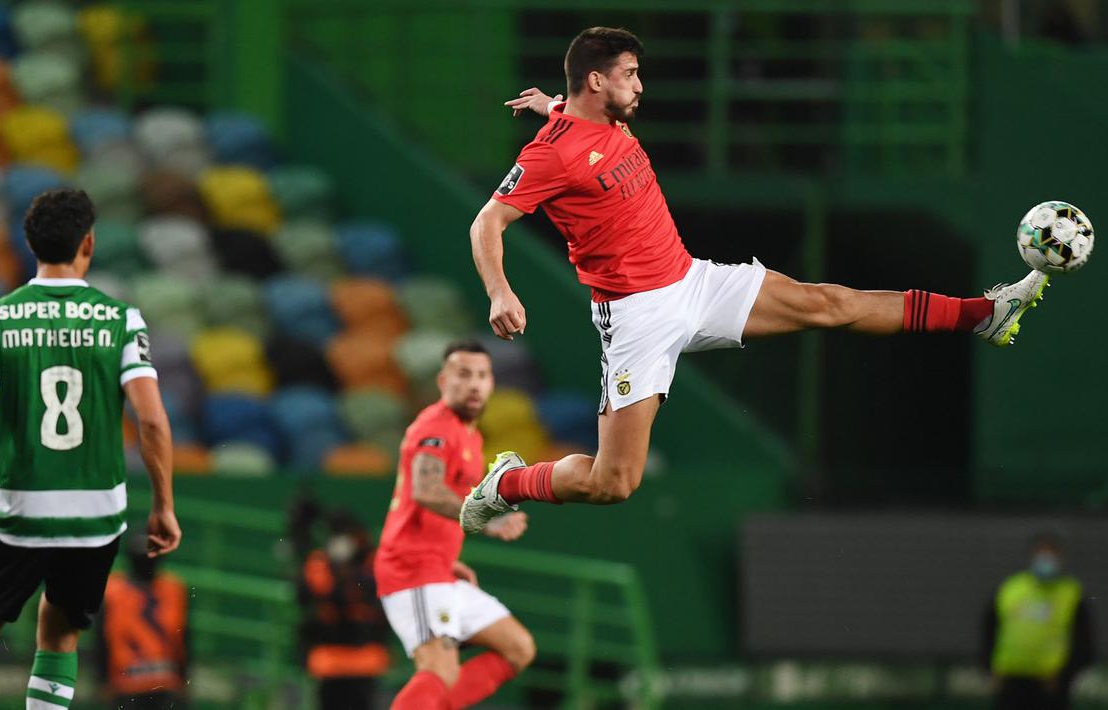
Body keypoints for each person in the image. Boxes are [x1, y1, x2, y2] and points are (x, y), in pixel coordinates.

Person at [459, 26, 1052, 532]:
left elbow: (575, 126)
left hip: (692, 280)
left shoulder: (592, 118)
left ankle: (984, 314)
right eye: (630, 74)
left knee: (829, 302)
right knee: (613, 482)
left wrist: (548, 105)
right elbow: (488, 220)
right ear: (596, 80)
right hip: (636, 317)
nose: (640, 85)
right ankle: (510, 482)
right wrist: (500, 290)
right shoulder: (551, 154)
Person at [0, 188, 181, 710]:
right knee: (59, 635)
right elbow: (150, 419)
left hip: (22, 511)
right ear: (89, 243)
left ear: (29, 245)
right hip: (97, 517)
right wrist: (164, 503)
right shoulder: (123, 321)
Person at [375, 340, 537, 710]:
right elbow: (427, 491)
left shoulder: (470, 434)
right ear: (443, 380)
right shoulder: (435, 427)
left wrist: (447, 558)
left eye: (483, 375)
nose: (475, 384)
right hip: (412, 568)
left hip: (437, 567)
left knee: (517, 648)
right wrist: (489, 521)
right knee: (439, 669)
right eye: (464, 375)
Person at [982, 533, 1095, 710]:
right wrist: (990, 668)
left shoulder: (1071, 594)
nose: (1045, 559)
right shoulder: (1010, 589)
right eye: (1040, 553)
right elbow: (988, 630)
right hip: (1011, 683)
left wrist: (1065, 677)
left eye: (1051, 553)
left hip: (1050, 685)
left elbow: (1084, 644)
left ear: (1060, 558)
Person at [297, 509, 390, 710]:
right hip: (329, 661)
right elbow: (309, 595)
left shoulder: (370, 563)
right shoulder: (320, 564)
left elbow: (373, 595)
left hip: (364, 660)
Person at [95, 532, 190, 709]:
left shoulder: (113, 589)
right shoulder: (173, 587)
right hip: (138, 684)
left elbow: (102, 640)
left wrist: (102, 681)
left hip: (145, 684)